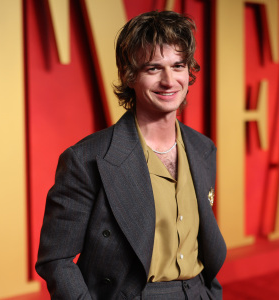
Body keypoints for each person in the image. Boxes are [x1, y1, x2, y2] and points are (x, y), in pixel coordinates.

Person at [36, 10, 226, 300]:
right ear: (129, 75)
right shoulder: (86, 159)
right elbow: (56, 259)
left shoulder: (203, 149)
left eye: (178, 65)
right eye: (153, 68)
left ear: (189, 71)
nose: (169, 80)